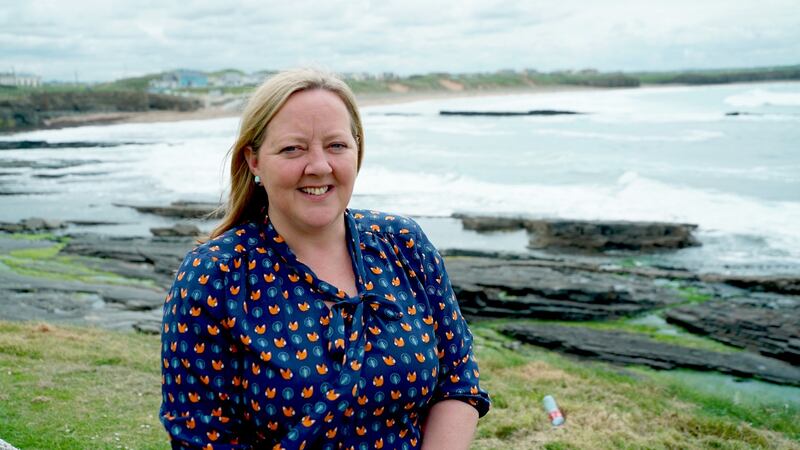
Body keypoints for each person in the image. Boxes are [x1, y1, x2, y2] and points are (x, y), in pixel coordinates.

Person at [160, 68, 490, 450]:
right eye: (292, 149)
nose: (319, 166)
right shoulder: (214, 277)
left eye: (336, 145)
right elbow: (202, 437)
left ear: (357, 149)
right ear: (254, 162)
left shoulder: (403, 245)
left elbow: (457, 377)